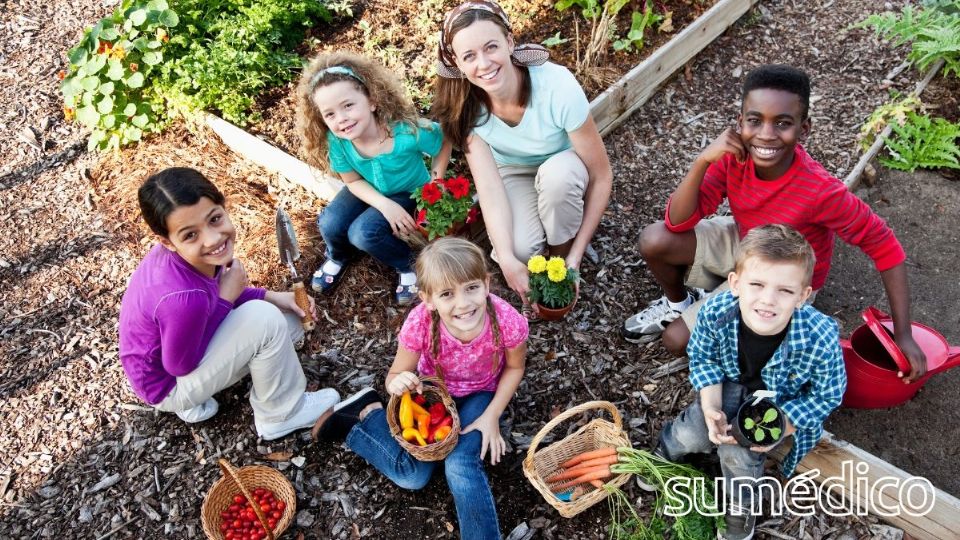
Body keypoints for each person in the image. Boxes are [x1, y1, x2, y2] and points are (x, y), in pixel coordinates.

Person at [621, 64, 927, 381]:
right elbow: (677, 222)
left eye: (782, 123)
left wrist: (903, 333)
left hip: (783, 271)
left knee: (677, 341)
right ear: (739, 123)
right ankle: (679, 303)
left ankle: (752, 347)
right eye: (755, 121)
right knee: (655, 239)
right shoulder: (732, 158)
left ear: (803, 129)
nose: (766, 134)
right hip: (747, 241)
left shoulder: (820, 192)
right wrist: (702, 161)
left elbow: (885, 246)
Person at [312, 237, 527, 540]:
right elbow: (396, 374)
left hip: (481, 394)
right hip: (430, 394)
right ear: (428, 299)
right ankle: (365, 419)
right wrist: (397, 383)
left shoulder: (506, 321)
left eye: (472, 288)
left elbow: (515, 367)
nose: (463, 303)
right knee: (413, 477)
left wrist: (492, 415)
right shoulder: (421, 323)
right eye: (447, 294)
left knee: (459, 464)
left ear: (487, 284)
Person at [118, 167, 340, 440]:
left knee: (288, 320)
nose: (212, 239)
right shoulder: (183, 300)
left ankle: (197, 401)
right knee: (267, 321)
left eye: (214, 219)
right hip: (169, 385)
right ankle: (282, 414)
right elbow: (181, 365)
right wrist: (227, 299)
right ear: (167, 241)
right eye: (190, 235)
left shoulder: (185, 259)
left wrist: (272, 296)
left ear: (224, 206)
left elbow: (216, 295)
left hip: (160, 363)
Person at [655, 224, 846, 540]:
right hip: (728, 383)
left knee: (740, 456)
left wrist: (782, 427)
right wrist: (712, 406)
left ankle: (741, 511)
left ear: (803, 296)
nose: (768, 300)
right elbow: (704, 359)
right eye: (757, 284)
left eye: (785, 290)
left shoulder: (820, 337)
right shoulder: (715, 312)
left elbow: (828, 394)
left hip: (779, 400)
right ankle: (665, 451)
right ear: (735, 283)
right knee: (693, 432)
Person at [431, 0, 612, 314]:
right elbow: (489, 189)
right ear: (458, 64)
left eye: (491, 47)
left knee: (557, 182)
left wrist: (574, 257)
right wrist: (507, 259)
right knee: (518, 250)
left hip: (565, 164)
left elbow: (602, 175)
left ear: (510, 42)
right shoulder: (466, 108)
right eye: (469, 56)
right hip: (514, 171)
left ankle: (561, 250)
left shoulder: (557, 87)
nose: (484, 64)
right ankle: (543, 243)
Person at [296, 51, 452, 305]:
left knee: (364, 233)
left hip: (407, 191)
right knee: (330, 223)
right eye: (330, 114)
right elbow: (353, 181)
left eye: (348, 105)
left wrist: (436, 181)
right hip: (367, 188)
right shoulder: (337, 141)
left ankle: (408, 265)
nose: (342, 119)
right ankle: (338, 255)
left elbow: (443, 140)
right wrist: (383, 204)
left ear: (372, 100)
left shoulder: (404, 132)